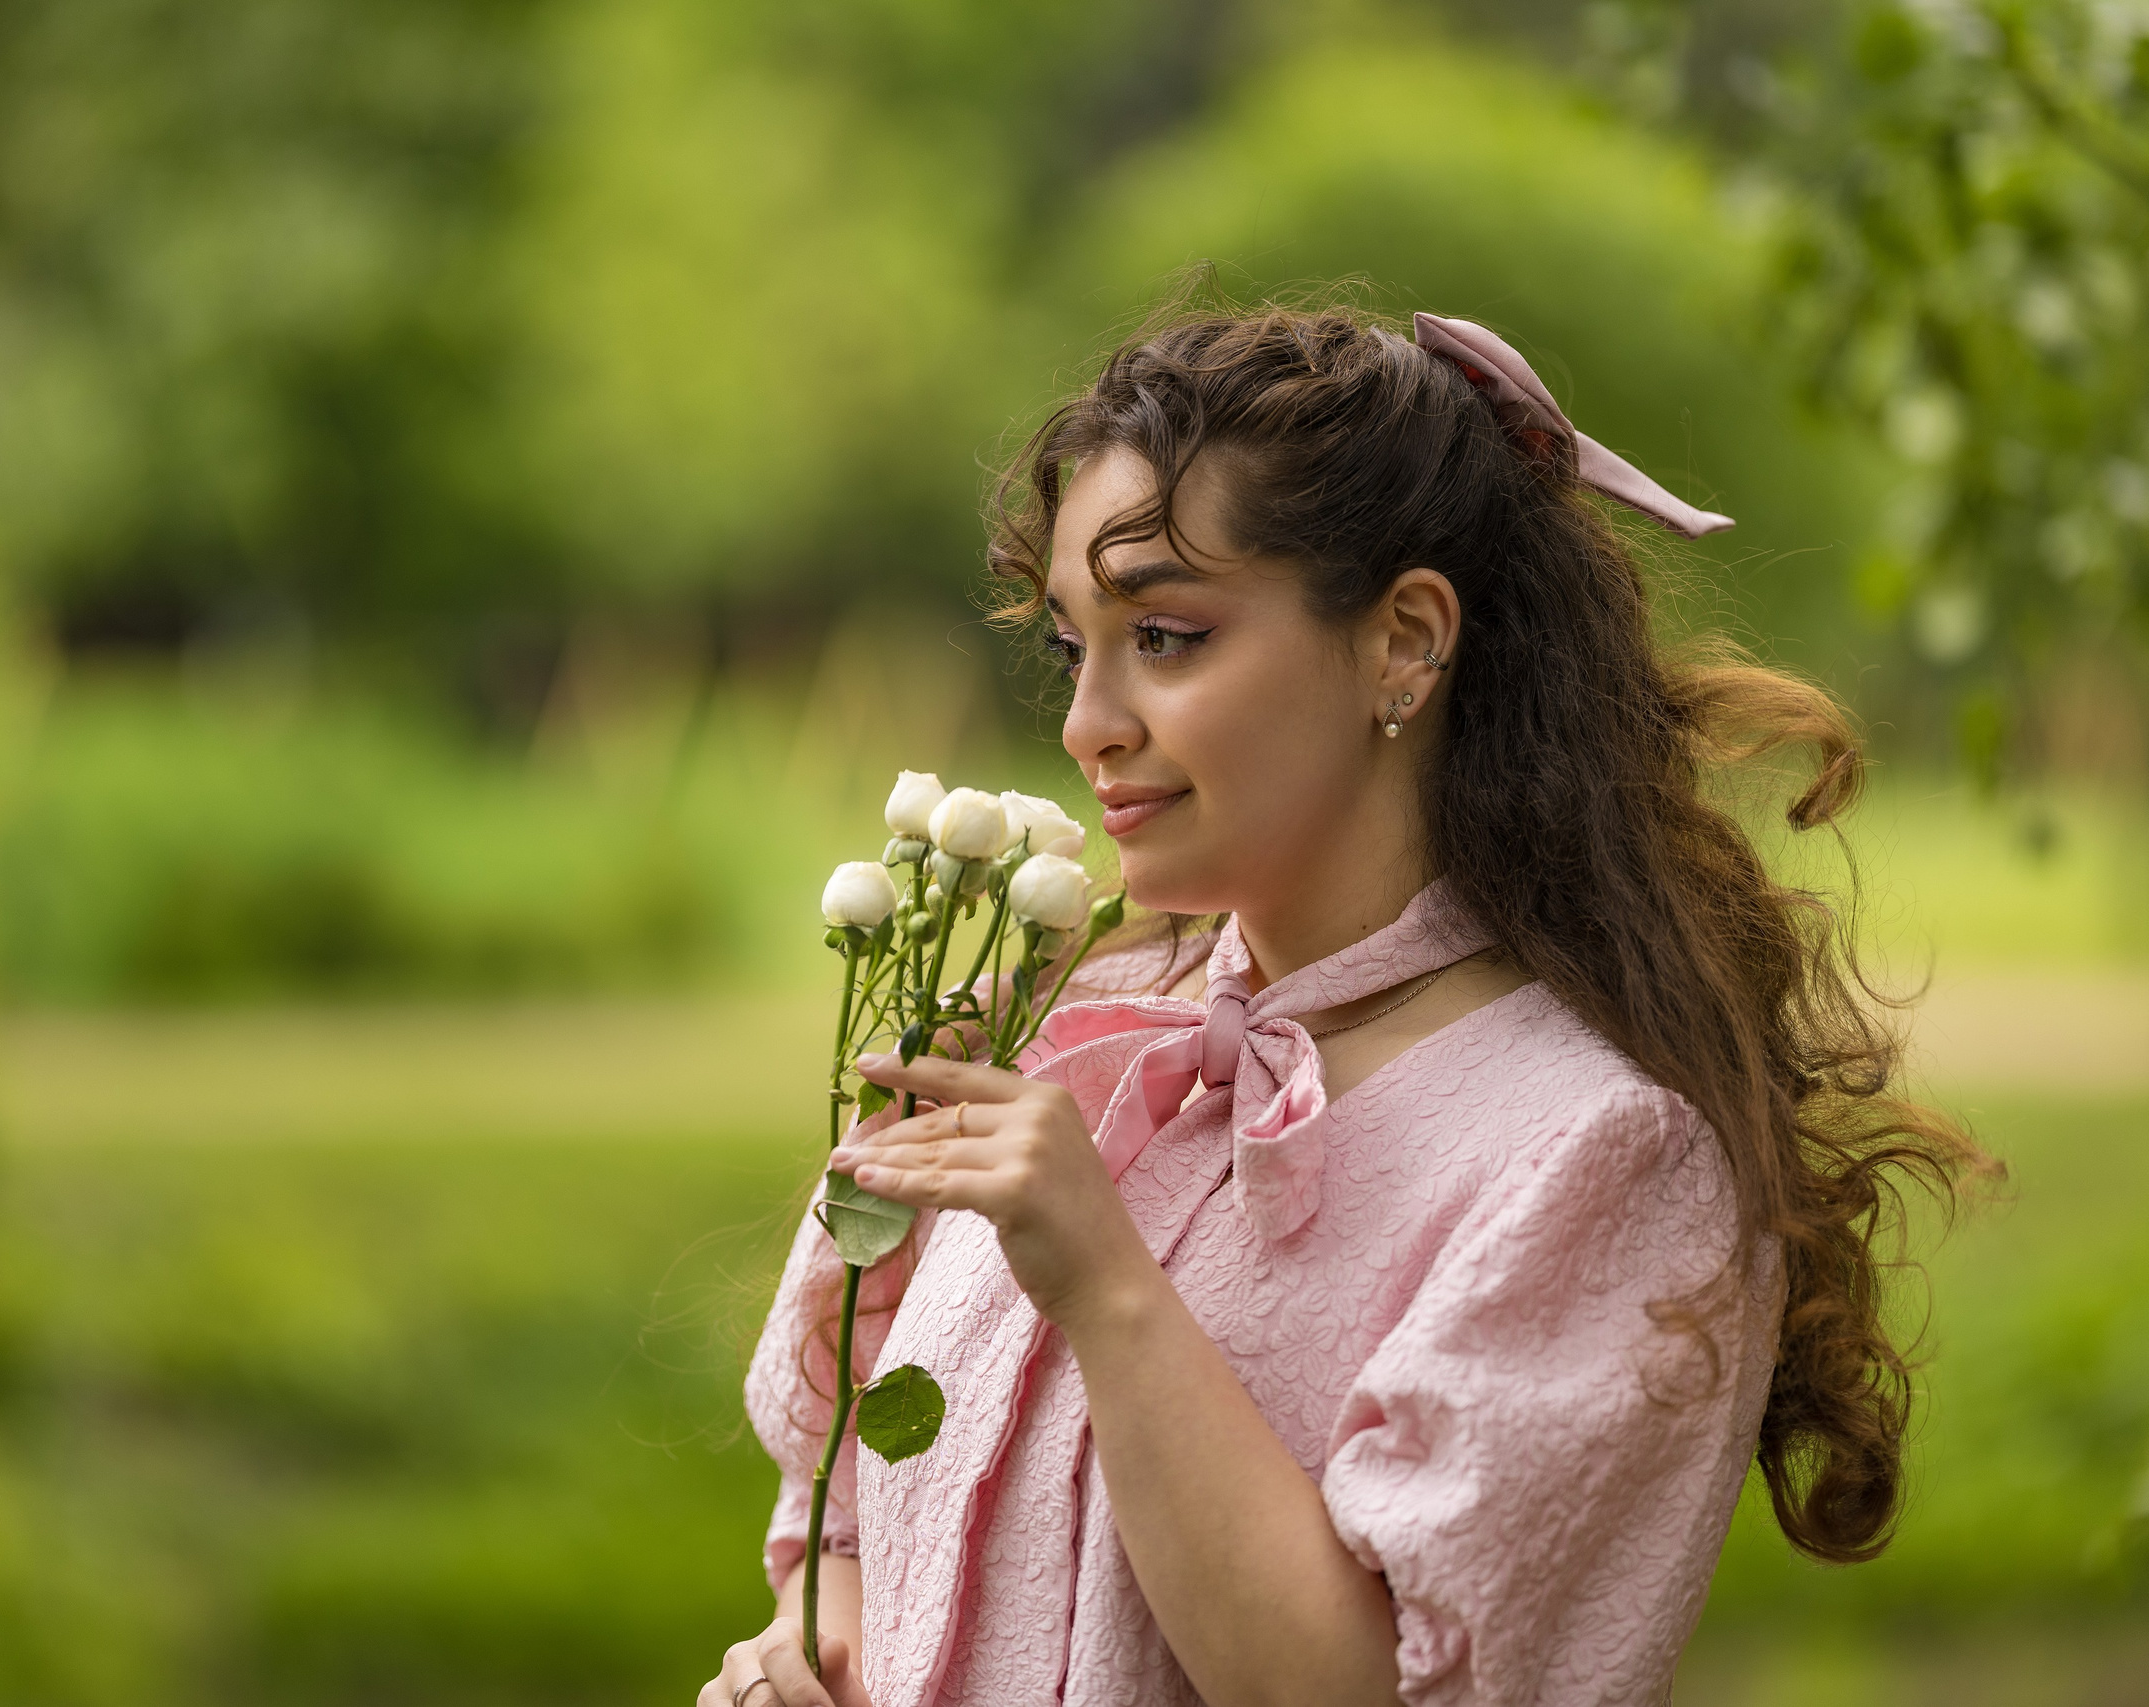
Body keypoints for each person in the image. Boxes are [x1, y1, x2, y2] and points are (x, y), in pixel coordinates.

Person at [703, 303, 1983, 1707]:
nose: (1088, 725)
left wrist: (1111, 1289)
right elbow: (840, 1475)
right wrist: (808, 1640)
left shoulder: (1597, 1160)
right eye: (1077, 650)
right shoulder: (1064, 1039)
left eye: (1170, 637)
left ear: (1405, 646)